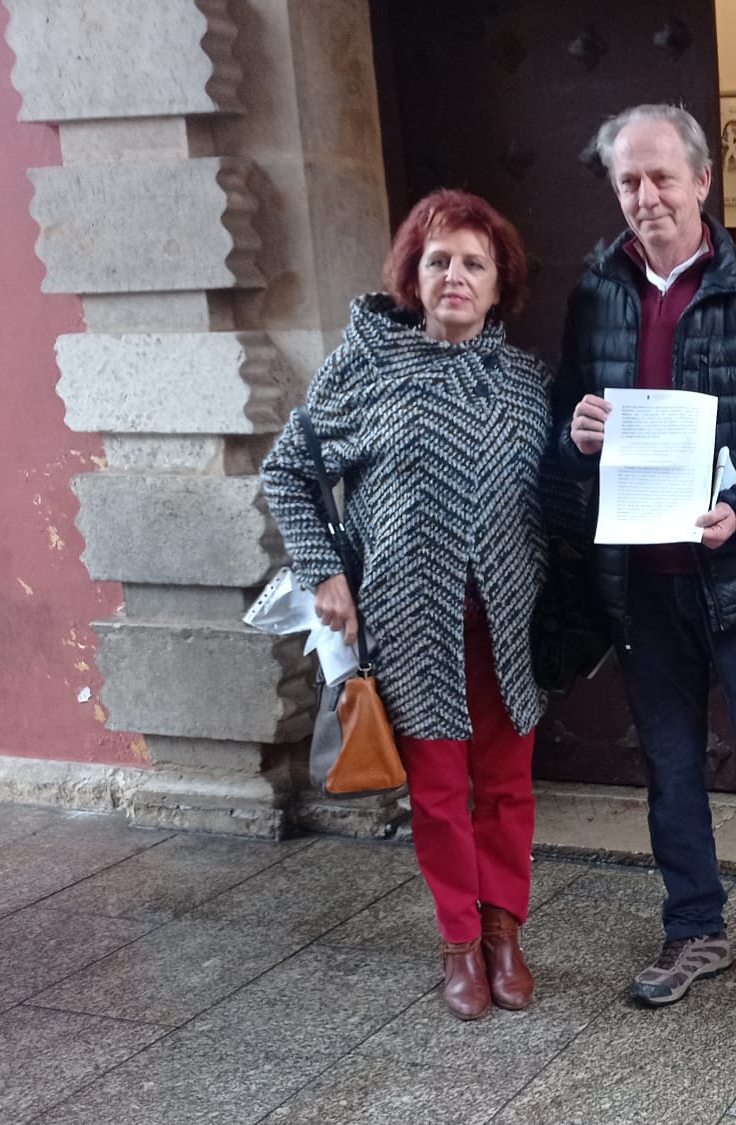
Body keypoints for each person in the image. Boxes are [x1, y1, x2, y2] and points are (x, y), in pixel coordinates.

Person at [556, 104, 736, 1015]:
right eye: (628, 181)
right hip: (641, 579)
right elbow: (567, 413)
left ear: (703, 180)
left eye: (662, 177)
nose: (645, 197)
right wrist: (578, 430)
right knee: (670, 764)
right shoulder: (595, 289)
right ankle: (696, 926)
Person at [261, 189, 550, 1021]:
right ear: (412, 277)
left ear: (500, 285)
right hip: (411, 622)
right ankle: (459, 942)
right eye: (438, 261)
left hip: (506, 622)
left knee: (506, 788)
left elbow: (558, 495)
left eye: (473, 263)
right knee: (436, 791)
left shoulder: (530, 384)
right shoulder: (365, 368)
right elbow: (288, 471)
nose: (455, 276)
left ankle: (505, 931)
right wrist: (324, 570)